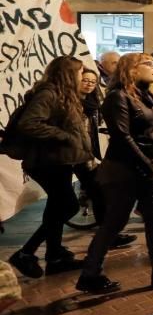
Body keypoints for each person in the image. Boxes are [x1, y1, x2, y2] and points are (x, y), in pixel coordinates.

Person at [76, 53, 153, 294]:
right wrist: (149, 166)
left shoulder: (149, 96)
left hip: (151, 171)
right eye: (148, 64)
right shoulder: (117, 97)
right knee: (114, 223)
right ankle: (90, 273)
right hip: (124, 171)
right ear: (132, 70)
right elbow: (123, 137)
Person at [7, 56, 93, 278]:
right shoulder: (49, 93)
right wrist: (62, 136)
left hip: (58, 161)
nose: (81, 76)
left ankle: (55, 256)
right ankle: (26, 253)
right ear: (67, 73)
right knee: (67, 206)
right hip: (47, 162)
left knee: (57, 207)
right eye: (78, 72)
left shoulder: (64, 95)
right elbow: (30, 123)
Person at [78, 69, 136, 249]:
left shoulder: (92, 103)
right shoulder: (72, 102)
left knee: (99, 193)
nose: (88, 84)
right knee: (96, 193)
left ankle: (108, 235)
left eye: (92, 82)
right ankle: (107, 236)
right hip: (78, 155)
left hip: (90, 154)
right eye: (85, 80)